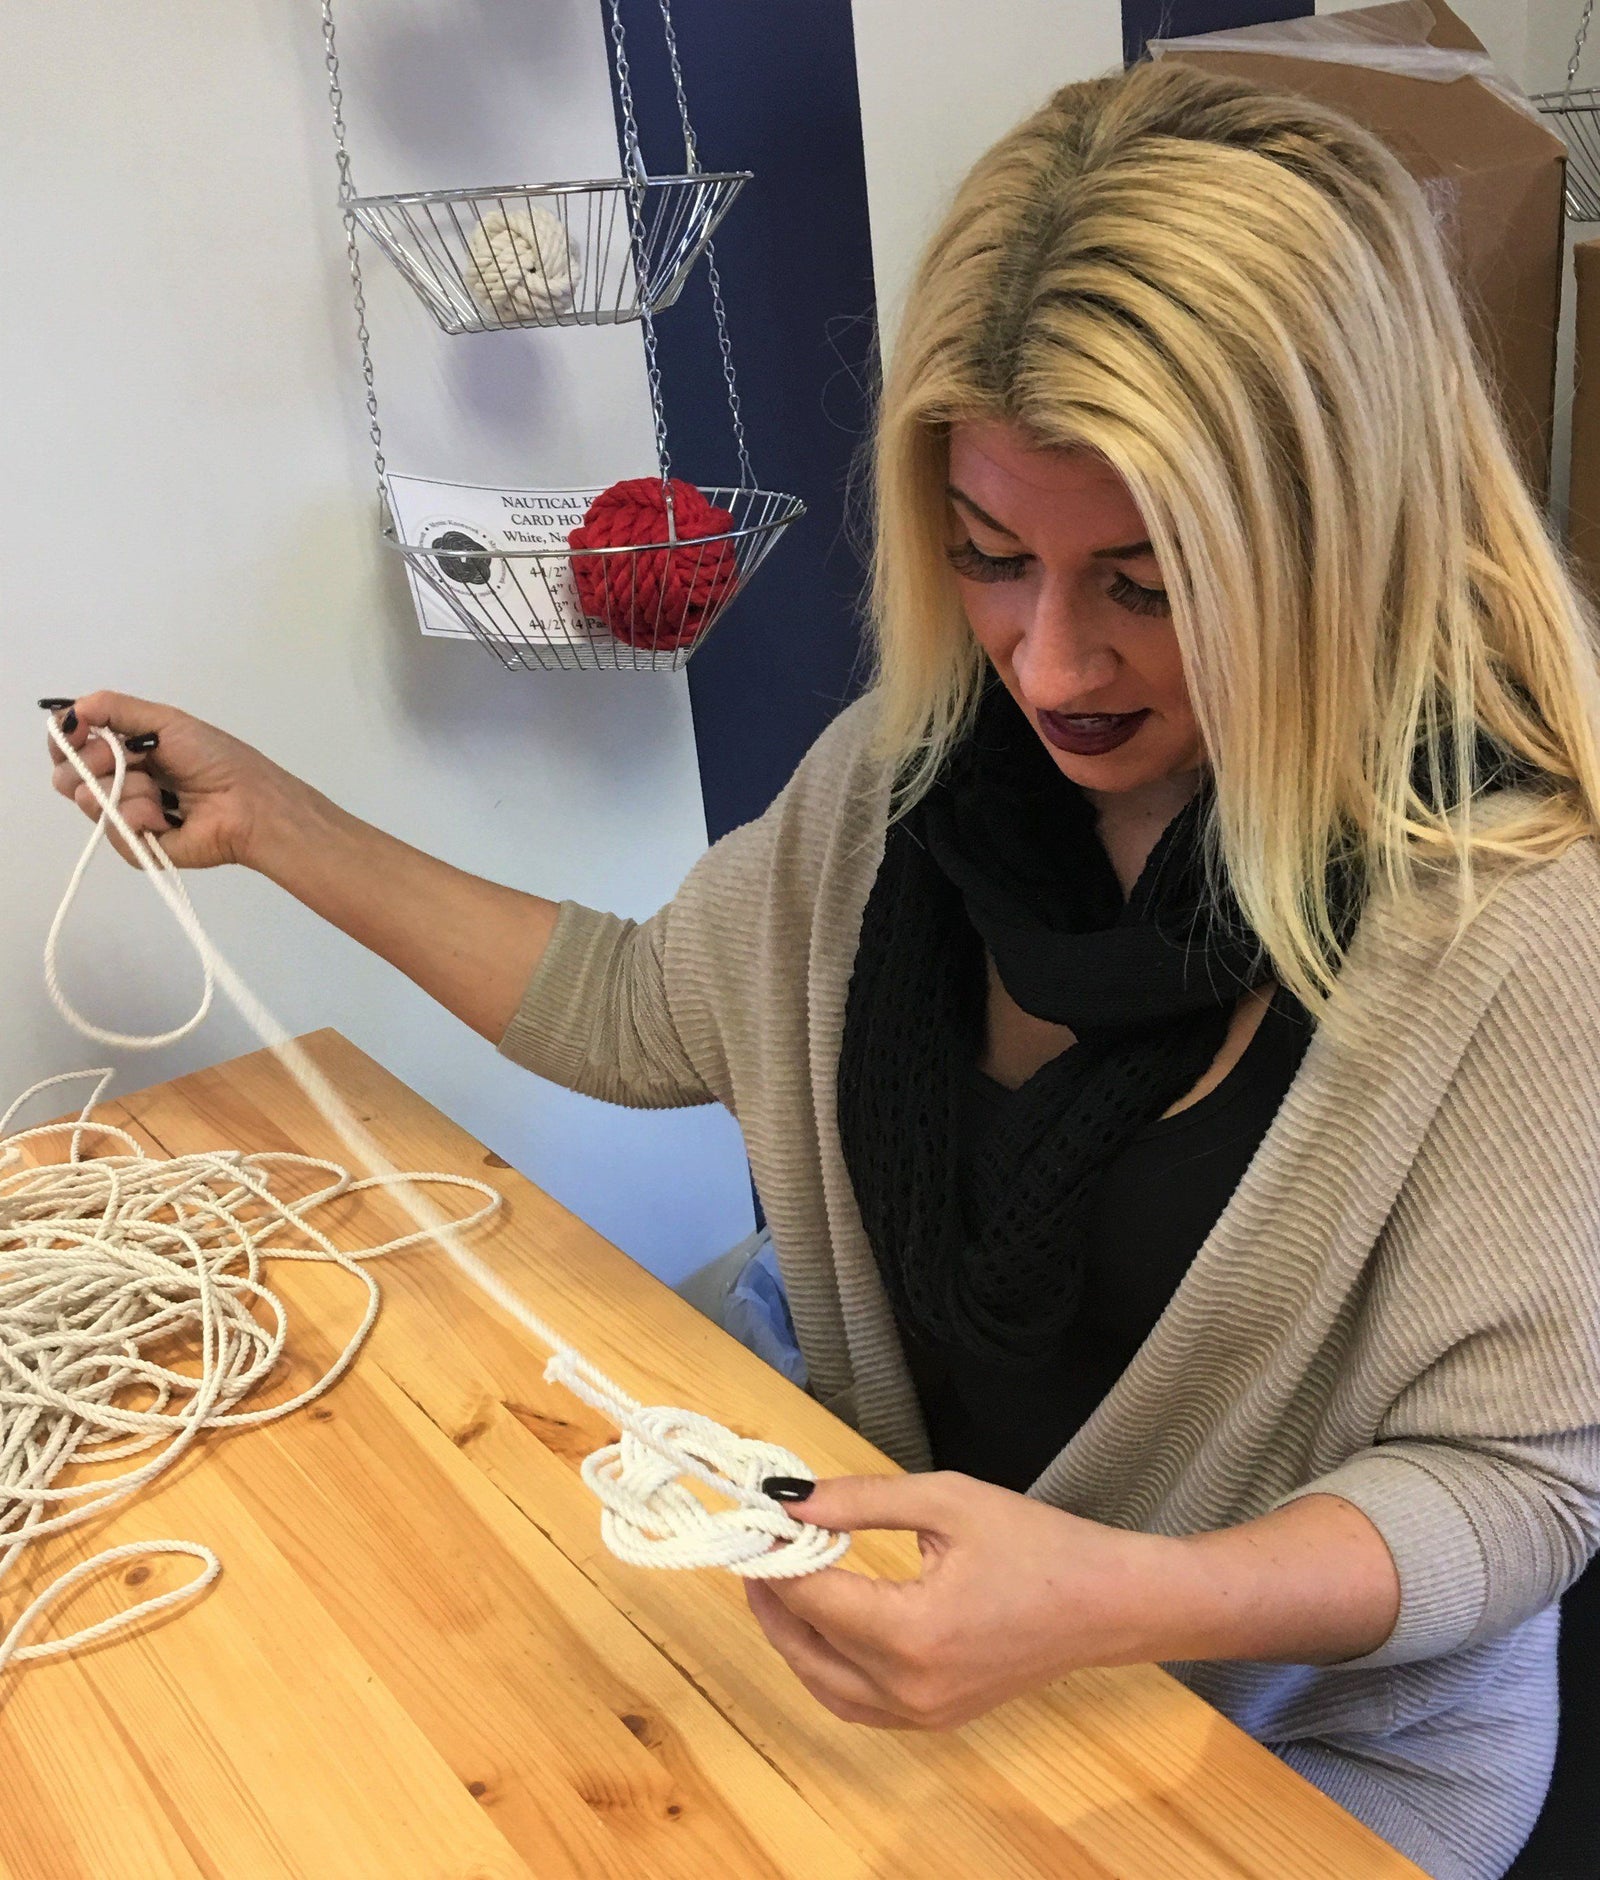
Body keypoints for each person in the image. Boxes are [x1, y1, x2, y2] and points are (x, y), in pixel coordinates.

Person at [41, 59, 1600, 1880]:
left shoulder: (1518, 923)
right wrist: (282, 822)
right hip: (908, 1650)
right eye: (991, 558)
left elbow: (1517, 1495)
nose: (1049, 661)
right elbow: (644, 1007)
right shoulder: (912, 778)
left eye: (1152, 584)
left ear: (1344, 536)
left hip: (1284, 1766)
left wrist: (1113, 1600)